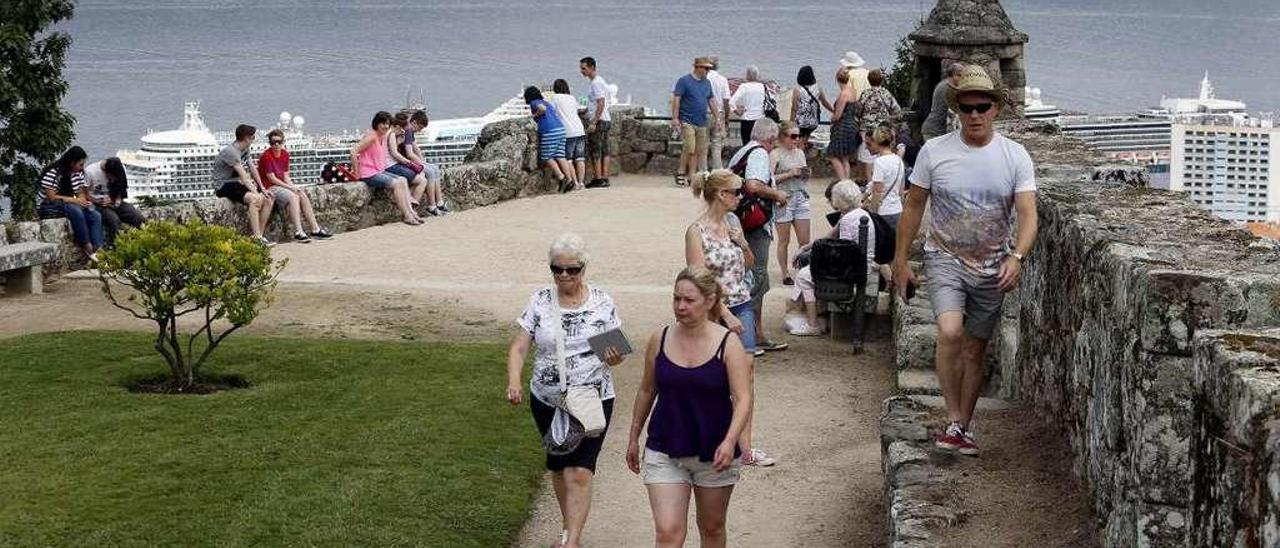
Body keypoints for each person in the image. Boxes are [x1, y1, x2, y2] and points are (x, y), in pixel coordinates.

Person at [892, 65, 1039, 457]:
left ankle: (963, 426)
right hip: (945, 258)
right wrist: (900, 260)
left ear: (995, 109)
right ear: (956, 109)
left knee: (976, 349)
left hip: (993, 265)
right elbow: (913, 206)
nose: (975, 114)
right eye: (967, 107)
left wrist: (1017, 256)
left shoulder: (1015, 156)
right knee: (951, 331)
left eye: (982, 106)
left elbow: (1027, 212)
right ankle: (954, 416)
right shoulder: (935, 152)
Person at [506, 233, 626, 548]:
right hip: (548, 398)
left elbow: (615, 353)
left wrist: (613, 357)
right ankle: (568, 527)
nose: (563, 276)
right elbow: (519, 347)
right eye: (556, 269)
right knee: (559, 467)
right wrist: (514, 381)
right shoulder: (539, 301)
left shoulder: (601, 301)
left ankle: (571, 541)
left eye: (571, 270)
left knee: (580, 470)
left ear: (583, 269)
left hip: (592, 397)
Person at [626, 265, 752, 548]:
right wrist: (634, 436)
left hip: (715, 449)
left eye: (689, 300)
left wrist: (730, 441)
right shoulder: (660, 338)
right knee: (668, 532)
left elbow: (743, 398)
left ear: (709, 301)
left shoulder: (729, 344)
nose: (680, 307)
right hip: (665, 446)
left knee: (712, 527)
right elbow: (647, 389)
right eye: (676, 299)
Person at [684, 169, 775, 467]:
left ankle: (745, 448)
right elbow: (699, 279)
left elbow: (748, 264)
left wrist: (743, 243)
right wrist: (723, 313)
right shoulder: (695, 232)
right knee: (710, 376)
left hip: (742, 303)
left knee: (746, 374)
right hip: (711, 313)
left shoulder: (734, 222)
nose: (741, 196)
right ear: (721, 195)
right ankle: (708, 437)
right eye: (737, 192)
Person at [727, 118, 792, 360]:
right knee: (756, 276)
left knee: (749, 275)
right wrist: (777, 194)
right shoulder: (759, 154)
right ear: (770, 138)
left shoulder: (742, 152)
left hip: (742, 221)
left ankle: (757, 332)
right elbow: (753, 185)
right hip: (754, 225)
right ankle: (747, 335)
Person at [790, 180, 879, 336]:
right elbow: (833, 239)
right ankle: (821, 318)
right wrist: (807, 248)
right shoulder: (861, 214)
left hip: (852, 271)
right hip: (863, 266)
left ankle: (812, 324)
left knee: (803, 276)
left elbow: (843, 252)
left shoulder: (847, 219)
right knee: (811, 268)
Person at [257, 129, 333, 242]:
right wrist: (291, 188)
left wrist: (294, 187)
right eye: (273, 142)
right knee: (294, 197)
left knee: (301, 194)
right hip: (269, 187)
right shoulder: (266, 156)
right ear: (270, 143)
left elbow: (285, 176)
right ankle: (298, 231)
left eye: (279, 142)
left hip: (281, 185)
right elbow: (271, 178)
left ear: (283, 141)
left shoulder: (285, 154)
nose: (276, 145)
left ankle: (315, 229)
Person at [350, 111, 423, 226]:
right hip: (368, 173)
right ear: (376, 123)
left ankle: (411, 212)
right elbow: (353, 152)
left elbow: (392, 133)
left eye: (387, 124)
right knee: (396, 183)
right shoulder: (372, 137)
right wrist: (356, 174)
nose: (385, 126)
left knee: (403, 180)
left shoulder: (383, 136)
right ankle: (407, 215)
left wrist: (400, 136)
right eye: (383, 123)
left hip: (378, 171)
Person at [212, 124, 276, 245]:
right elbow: (244, 176)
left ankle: (260, 235)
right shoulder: (231, 152)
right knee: (254, 199)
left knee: (269, 198)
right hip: (223, 185)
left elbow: (252, 168)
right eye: (252, 137)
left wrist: (262, 189)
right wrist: (256, 193)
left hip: (235, 183)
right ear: (246, 138)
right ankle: (257, 238)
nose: (254, 139)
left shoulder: (245, 149)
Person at [37, 146, 103, 261]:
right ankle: (87, 245)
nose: (82, 167)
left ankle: (98, 248)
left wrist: (82, 200)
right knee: (75, 211)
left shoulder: (78, 174)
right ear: (72, 163)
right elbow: (51, 197)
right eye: (80, 164)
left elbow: (80, 192)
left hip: (69, 202)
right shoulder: (53, 174)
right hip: (50, 206)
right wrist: (75, 201)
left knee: (94, 214)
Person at [770, 121, 811, 286]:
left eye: (798, 136)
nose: (797, 139)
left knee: (805, 241)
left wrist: (805, 173)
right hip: (783, 199)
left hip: (800, 197)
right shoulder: (775, 154)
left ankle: (804, 271)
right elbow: (769, 179)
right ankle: (785, 272)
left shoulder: (800, 153)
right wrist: (789, 174)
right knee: (784, 240)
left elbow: (803, 175)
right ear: (783, 137)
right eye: (793, 136)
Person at [671, 57, 721, 188]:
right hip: (687, 120)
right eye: (706, 68)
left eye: (709, 68)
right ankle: (681, 172)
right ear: (698, 67)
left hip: (701, 121)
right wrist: (675, 118)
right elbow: (677, 99)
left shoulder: (707, 83)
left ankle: (692, 175)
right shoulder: (684, 81)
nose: (708, 71)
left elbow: (711, 101)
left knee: (697, 150)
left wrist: (718, 117)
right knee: (690, 147)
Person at [84, 157, 144, 248]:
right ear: (106, 172)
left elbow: (122, 188)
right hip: (97, 203)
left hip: (114, 200)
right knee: (114, 220)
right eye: (111, 177)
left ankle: (144, 242)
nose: (112, 180)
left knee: (137, 216)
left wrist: (116, 200)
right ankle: (115, 247)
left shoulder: (120, 169)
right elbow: (83, 193)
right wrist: (97, 201)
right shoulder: (90, 172)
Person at [856, 69, 903, 184]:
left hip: (866, 130)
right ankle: (882, 182)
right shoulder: (886, 94)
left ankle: (870, 183)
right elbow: (897, 111)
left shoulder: (865, 94)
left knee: (868, 158)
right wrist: (890, 121)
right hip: (882, 129)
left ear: (869, 80)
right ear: (881, 80)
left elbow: (857, 112)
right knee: (881, 155)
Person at [525, 86, 576, 192]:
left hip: (550, 131)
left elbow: (542, 109)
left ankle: (561, 178)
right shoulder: (547, 102)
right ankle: (570, 180)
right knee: (561, 156)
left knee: (546, 156)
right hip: (561, 129)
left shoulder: (534, 102)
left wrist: (535, 116)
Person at [386, 113, 434, 215]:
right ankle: (412, 209)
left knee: (421, 177)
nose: (403, 132)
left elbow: (392, 150)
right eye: (402, 129)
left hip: (394, 163)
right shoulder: (392, 134)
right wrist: (407, 162)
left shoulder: (393, 134)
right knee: (422, 179)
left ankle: (411, 207)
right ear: (397, 126)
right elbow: (394, 153)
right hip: (392, 165)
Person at [402, 110, 449, 214]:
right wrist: (422, 164)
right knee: (430, 172)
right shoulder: (408, 131)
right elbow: (409, 153)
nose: (419, 131)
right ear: (414, 122)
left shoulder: (410, 131)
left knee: (435, 169)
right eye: (420, 128)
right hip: (407, 162)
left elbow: (416, 149)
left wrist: (423, 161)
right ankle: (431, 205)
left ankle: (439, 202)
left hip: (412, 161)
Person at [579, 57, 613, 188]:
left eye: (584, 68)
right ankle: (605, 178)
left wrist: (594, 121)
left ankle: (598, 178)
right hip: (606, 118)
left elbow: (601, 102)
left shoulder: (595, 83)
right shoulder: (601, 81)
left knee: (596, 150)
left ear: (592, 67)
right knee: (605, 150)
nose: (581, 71)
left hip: (599, 120)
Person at [863, 125, 906, 228]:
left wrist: (873, 214)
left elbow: (877, 191)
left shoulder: (879, 162)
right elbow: (901, 190)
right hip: (897, 210)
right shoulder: (898, 160)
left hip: (884, 212)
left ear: (876, 141)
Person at [551, 79, 588, 189]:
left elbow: (551, 111)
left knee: (569, 160)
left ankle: (575, 183)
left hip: (568, 132)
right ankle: (581, 183)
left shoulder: (555, 98)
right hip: (580, 130)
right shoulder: (572, 98)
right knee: (580, 158)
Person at [824, 67, 859, 183]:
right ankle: (847, 180)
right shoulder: (853, 91)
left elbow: (837, 115)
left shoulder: (843, 94)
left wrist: (832, 119)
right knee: (845, 157)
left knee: (832, 154)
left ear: (837, 80)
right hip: (852, 125)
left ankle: (843, 180)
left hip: (842, 127)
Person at [921, 62, 963, 142]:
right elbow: (952, 114)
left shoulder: (944, 84)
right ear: (954, 75)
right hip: (934, 131)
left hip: (935, 129)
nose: (962, 79)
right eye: (960, 75)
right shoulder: (948, 89)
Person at [789, 65, 831, 144]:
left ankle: (800, 154)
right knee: (804, 140)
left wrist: (791, 123)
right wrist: (834, 111)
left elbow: (794, 108)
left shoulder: (797, 90)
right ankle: (802, 151)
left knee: (796, 141)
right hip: (813, 123)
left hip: (801, 123)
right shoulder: (818, 88)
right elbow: (825, 102)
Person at [704, 56, 731, 171]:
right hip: (718, 113)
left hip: (704, 113)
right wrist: (727, 118)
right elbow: (726, 101)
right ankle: (717, 169)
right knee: (717, 144)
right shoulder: (722, 80)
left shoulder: (703, 79)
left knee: (703, 144)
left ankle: (703, 169)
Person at [729, 65, 767, 146]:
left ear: (747, 75)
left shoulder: (744, 87)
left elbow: (731, 102)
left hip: (746, 119)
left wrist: (738, 112)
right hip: (760, 119)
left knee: (746, 145)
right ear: (757, 75)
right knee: (759, 145)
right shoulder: (762, 86)